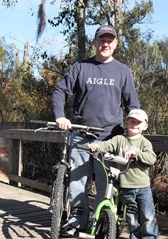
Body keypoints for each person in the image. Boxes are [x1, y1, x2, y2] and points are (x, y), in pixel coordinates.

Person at [52, 24, 140, 237]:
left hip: (110, 139)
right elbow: (60, 91)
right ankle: (76, 222)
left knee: (106, 186)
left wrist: (134, 135)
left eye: (110, 40)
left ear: (116, 44)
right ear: (95, 42)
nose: (105, 44)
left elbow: (133, 106)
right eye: (102, 40)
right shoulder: (81, 67)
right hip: (81, 136)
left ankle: (102, 225)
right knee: (76, 184)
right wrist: (60, 116)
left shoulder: (123, 71)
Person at [88, 109, 159, 239]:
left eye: (138, 122)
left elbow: (151, 158)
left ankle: (151, 237)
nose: (134, 125)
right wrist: (96, 146)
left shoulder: (144, 143)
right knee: (132, 218)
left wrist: (136, 154)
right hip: (126, 188)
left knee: (148, 216)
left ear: (145, 126)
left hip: (143, 187)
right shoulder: (119, 140)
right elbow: (107, 145)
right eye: (132, 121)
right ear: (126, 123)